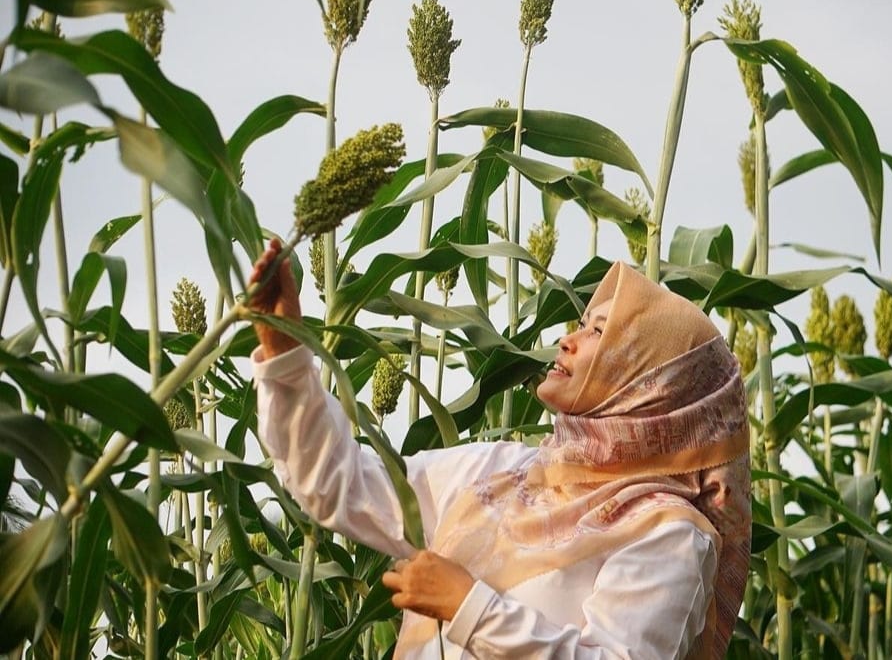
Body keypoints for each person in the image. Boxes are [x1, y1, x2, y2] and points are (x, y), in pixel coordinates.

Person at [249, 238, 751, 659]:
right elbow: (340, 483)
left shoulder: (668, 534)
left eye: (598, 331)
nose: (566, 340)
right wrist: (283, 353)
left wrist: (468, 607)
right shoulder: (500, 473)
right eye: (579, 323)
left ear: (653, 382)